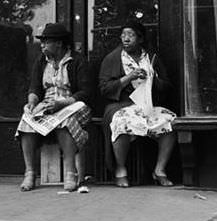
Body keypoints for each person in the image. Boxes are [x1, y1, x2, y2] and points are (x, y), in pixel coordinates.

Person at [98, 20, 177, 187]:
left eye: (131, 35)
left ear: (140, 39)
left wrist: (153, 79)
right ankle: (120, 169)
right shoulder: (112, 59)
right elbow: (104, 89)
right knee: (121, 122)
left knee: (170, 121)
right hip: (122, 105)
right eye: (123, 35)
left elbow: (167, 85)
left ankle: (159, 170)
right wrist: (129, 77)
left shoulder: (151, 58)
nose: (126, 39)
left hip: (147, 105)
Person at [15, 23, 92, 192]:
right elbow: (35, 87)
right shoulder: (42, 61)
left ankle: (71, 173)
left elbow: (86, 92)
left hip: (73, 104)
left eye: (46, 42)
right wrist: (32, 102)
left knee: (64, 122)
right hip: (49, 105)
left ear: (59, 43)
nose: (42, 45)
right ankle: (29, 173)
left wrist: (63, 103)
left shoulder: (77, 61)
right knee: (27, 121)